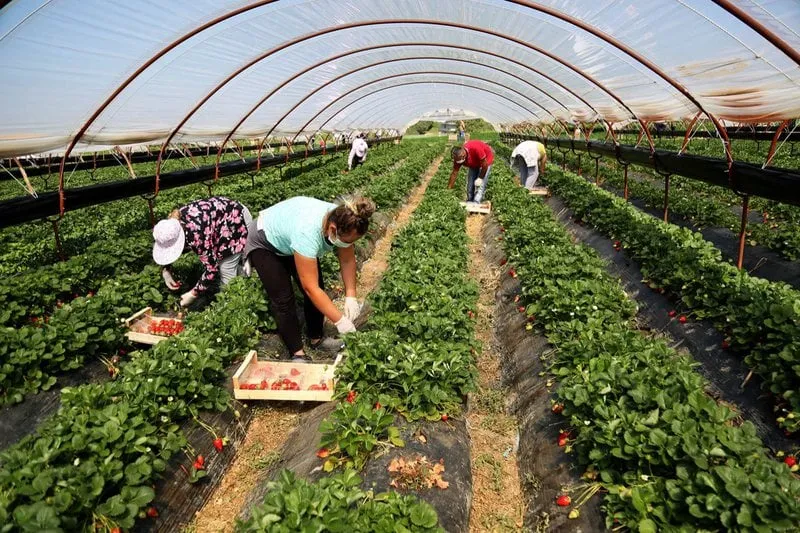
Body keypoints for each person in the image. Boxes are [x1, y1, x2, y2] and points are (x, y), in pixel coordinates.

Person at [244, 194, 374, 362]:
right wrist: (340, 321)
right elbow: (310, 288)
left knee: (318, 284)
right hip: (265, 241)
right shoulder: (308, 233)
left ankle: (316, 338)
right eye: (346, 241)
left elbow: (347, 259)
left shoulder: (346, 218)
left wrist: (351, 295)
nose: (347, 245)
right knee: (283, 299)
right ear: (333, 229)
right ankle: (297, 353)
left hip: (290, 234)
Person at [153, 196, 252, 307]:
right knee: (226, 266)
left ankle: (232, 307)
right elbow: (168, 246)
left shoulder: (196, 235)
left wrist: (193, 294)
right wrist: (166, 270)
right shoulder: (173, 224)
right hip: (224, 219)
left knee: (226, 270)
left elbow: (211, 270)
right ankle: (246, 280)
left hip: (235, 219)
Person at [447, 139, 494, 204]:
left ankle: (476, 202)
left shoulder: (475, 148)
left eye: (460, 159)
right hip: (473, 163)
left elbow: (485, 165)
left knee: (480, 185)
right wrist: (448, 190)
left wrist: (480, 178)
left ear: (463, 154)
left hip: (486, 161)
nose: (459, 161)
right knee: (470, 184)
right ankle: (470, 200)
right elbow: (454, 173)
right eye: (457, 160)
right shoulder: (458, 158)